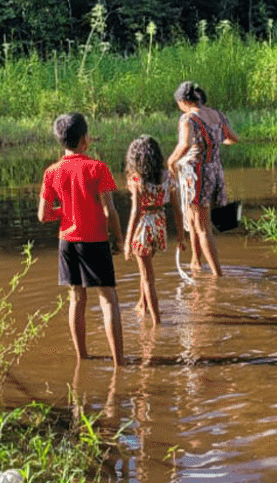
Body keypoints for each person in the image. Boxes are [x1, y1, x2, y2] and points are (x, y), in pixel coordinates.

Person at [38, 111, 124, 367]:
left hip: (68, 242)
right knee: (108, 300)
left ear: (60, 140)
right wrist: (119, 239)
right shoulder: (98, 168)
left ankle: (82, 358)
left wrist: (65, 211)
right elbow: (110, 211)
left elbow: (43, 215)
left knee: (77, 299)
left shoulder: (51, 172)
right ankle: (120, 363)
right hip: (95, 240)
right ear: (85, 139)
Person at [166, 80, 239, 277]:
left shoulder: (188, 118)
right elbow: (233, 138)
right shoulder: (217, 115)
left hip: (197, 175)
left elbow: (185, 145)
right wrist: (213, 142)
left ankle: (217, 275)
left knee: (202, 227)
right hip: (215, 171)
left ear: (183, 101)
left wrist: (171, 162)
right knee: (192, 218)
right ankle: (196, 262)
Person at [122, 134, 183, 324]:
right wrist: (181, 235)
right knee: (145, 271)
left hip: (143, 228)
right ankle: (143, 305)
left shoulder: (136, 180)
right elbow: (176, 208)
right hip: (159, 225)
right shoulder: (168, 177)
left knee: (148, 277)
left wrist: (127, 241)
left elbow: (136, 212)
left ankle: (156, 322)